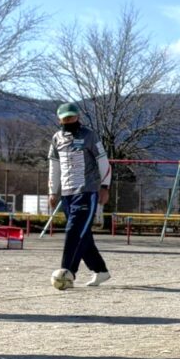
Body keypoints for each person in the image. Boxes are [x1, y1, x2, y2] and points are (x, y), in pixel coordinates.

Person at [48, 102, 111, 287]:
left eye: (72, 117)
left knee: (74, 231)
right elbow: (54, 167)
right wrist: (53, 191)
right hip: (67, 194)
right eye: (65, 118)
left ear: (78, 117)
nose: (69, 120)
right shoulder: (56, 138)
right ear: (59, 119)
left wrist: (105, 187)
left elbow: (103, 162)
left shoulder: (89, 136)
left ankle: (66, 273)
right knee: (83, 235)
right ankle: (101, 271)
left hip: (86, 191)